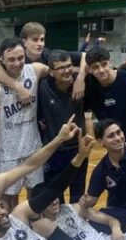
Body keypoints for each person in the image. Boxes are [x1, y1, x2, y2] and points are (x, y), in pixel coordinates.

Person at [0, 38, 50, 208]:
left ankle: (32, 228)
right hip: (8, 152)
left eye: (21, 58)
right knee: (9, 200)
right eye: (11, 59)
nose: (17, 63)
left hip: (32, 147)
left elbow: (58, 70)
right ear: (1, 59)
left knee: (36, 195)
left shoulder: (35, 70)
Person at [37, 50, 91, 202]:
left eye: (69, 66)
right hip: (53, 151)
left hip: (77, 149)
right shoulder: (42, 87)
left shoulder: (80, 84)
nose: (67, 70)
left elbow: (87, 56)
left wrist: (80, 76)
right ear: (51, 72)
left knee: (78, 194)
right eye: (61, 68)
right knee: (54, 195)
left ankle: (78, 223)